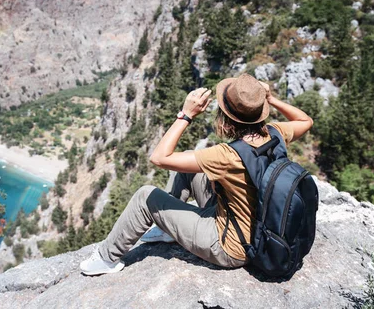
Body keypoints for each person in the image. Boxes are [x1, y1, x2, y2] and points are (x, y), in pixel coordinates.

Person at [79, 73, 314, 275]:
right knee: (190, 167)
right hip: (255, 226)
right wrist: (271, 98)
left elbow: (159, 158)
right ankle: (167, 229)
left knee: (145, 196)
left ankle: (106, 258)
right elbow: (306, 120)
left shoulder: (226, 155)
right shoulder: (275, 133)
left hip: (230, 246)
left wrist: (185, 115)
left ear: (227, 117)